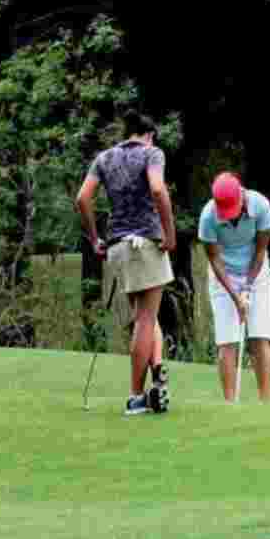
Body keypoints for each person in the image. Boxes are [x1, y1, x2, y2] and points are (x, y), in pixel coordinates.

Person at [75, 113, 178, 416]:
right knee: (146, 319)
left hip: (118, 246)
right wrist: (169, 234)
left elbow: (82, 198)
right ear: (147, 135)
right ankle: (136, 396)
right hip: (146, 243)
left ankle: (157, 368)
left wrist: (94, 239)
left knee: (145, 316)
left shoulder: (104, 158)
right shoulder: (152, 153)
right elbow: (158, 190)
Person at [198, 172, 270, 404]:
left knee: (260, 335)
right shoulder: (208, 216)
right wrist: (235, 295)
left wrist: (248, 288)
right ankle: (230, 404)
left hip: (256, 272)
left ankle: (265, 401)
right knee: (226, 340)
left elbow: (261, 252)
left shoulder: (260, 205)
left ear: (241, 196)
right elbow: (214, 259)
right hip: (224, 276)